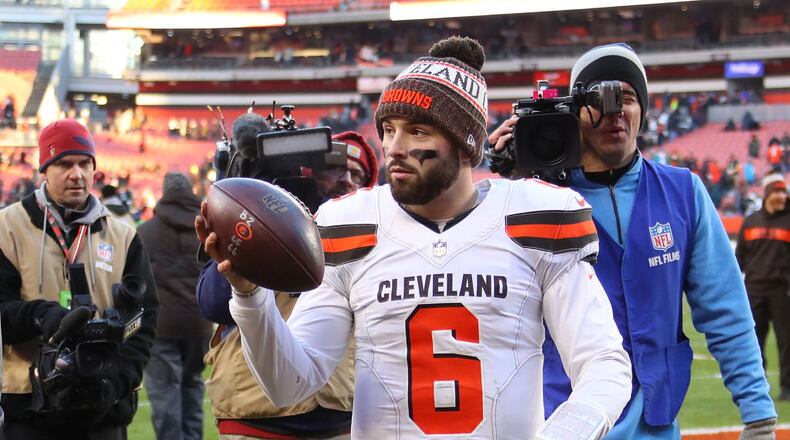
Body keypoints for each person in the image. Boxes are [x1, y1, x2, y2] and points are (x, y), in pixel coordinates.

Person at [197, 36, 632, 439]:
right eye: (388, 129)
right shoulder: (349, 222)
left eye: (417, 131)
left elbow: (604, 364)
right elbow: (290, 384)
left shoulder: (535, 217)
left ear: (465, 143)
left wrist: (566, 432)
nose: (394, 146)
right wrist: (250, 297)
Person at [489, 43, 776, 439]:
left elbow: (726, 309)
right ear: (574, 113)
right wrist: (499, 176)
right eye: (599, 99)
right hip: (566, 420)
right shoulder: (535, 199)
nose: (615, 111)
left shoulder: (683, 193)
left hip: (656, 422)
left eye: (626, 97)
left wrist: (758, 412)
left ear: (643, 108)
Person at [196, 130, 378, 439]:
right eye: (334, 170)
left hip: (340, 409)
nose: (346, 180)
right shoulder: (263, 219)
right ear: (308, 171)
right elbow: (213, 302)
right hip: (255, 411)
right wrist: (259, 202)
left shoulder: (370, 231)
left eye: (356, 174)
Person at [0, 119, 159, 439]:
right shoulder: (7, 230)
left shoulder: (124, 236)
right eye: (64, 164)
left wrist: (117, 381)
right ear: (44, 169)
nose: (77, 174)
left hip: (105, 411)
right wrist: (43, 317)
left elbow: (145, 320)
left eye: (85, 163)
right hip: (30, 409)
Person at [138, 172, 211, 440]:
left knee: (164, 394)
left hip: (162, 326)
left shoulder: (145, 233)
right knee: (193, 388)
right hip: (199, 323)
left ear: (164, 192)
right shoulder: (207, 229)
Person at [736, 173, 790, 401]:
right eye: (777, 192)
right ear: (768, 194)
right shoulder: (751, 221)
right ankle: (758, 389)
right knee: (754, 344)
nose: (781, 197)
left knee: (786, 342)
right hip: (754, 290)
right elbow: (740, 256)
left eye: (783, 192)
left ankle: (787, 388)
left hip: (783, 292)